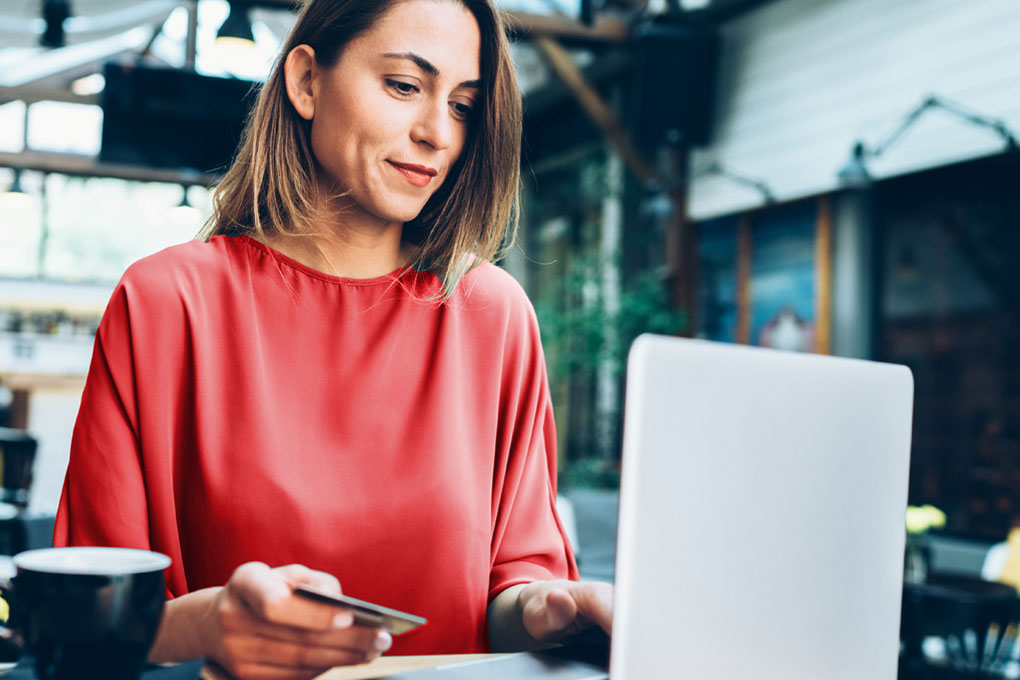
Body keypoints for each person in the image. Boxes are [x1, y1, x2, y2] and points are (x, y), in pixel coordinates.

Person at [54, 0, 613, 678]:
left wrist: (545, 609)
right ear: (306, 82)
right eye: (406, 86)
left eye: (464, 105)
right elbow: (83, 625)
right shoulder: (166, 302)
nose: (439, 132)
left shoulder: (492, 315)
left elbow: (507, 585)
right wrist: (209, 625)